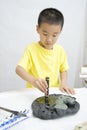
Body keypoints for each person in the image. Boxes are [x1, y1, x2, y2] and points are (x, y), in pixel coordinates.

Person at [15, 8, 75, 95]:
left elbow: (63, 69)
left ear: (60, 32)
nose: (49, 40)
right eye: (45, 34)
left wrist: (63, 83)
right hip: (34, 92)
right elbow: (19, 69)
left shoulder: (60, 50)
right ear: (37, 29)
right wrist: (33, 80)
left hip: (54, 92)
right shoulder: (31, 49)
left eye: (54, 35)